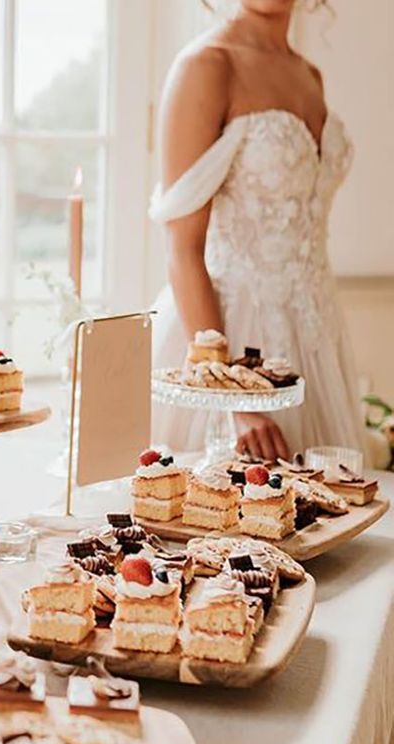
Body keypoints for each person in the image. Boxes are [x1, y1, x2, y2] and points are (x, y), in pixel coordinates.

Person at [150, 0, 362, 461]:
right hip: (227, 339)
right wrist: (233, 397)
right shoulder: (206, 66)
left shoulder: (309, 75)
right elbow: (183, 250)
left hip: (316, 338)